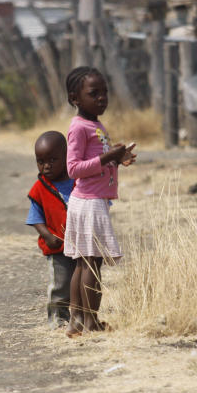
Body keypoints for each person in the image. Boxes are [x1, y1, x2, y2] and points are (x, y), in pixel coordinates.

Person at [63, 67, 136, 337]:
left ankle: (77, 322)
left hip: (91, 201)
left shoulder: (95, 124)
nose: (102, 98)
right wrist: (108, 158)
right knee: (91, 264)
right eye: (94, 94)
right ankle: (90, 322)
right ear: (75, 98)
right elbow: (74, 169)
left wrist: (118, 158)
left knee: (84, 263)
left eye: (105, 92)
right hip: (89, 202)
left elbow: (95, 163)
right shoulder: (79, 127)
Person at [25, 131, 76, 329]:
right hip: (58, 247)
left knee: (80, 283)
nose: (46, 166)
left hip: (82, 244)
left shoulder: (78, 181)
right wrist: (47, 235)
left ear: (67, 156)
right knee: (61, 284)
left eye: (53, 160)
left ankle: (82, 315)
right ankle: (57, 318)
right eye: (41, 161)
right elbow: (35, 218)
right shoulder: (40, 188)